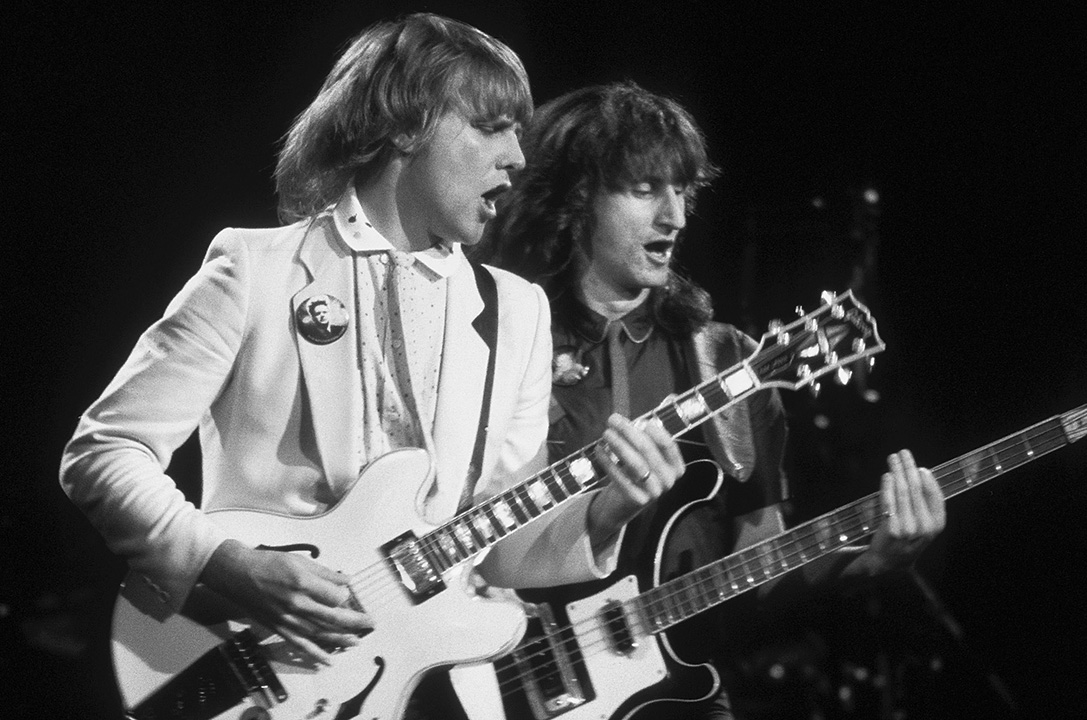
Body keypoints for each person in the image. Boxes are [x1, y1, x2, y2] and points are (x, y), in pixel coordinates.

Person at [58, 14, 683, 679]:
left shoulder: (517, 311)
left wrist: (608, 513)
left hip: (427, 682)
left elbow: (500, 552)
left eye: (519, 133)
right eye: (490, 127)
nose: (517, 158)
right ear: (404, 124)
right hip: (254, 666)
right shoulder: (257, 270)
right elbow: (104, 451)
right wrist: (227, 565)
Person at [479, 81, 947, 719]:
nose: (674, 216)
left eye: (682, 191)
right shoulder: (498, 338)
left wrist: (868, 562)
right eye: (645, 190)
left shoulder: (727, 361)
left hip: (672, 696)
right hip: (494, 681)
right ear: (576, 197)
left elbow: (759, 575)